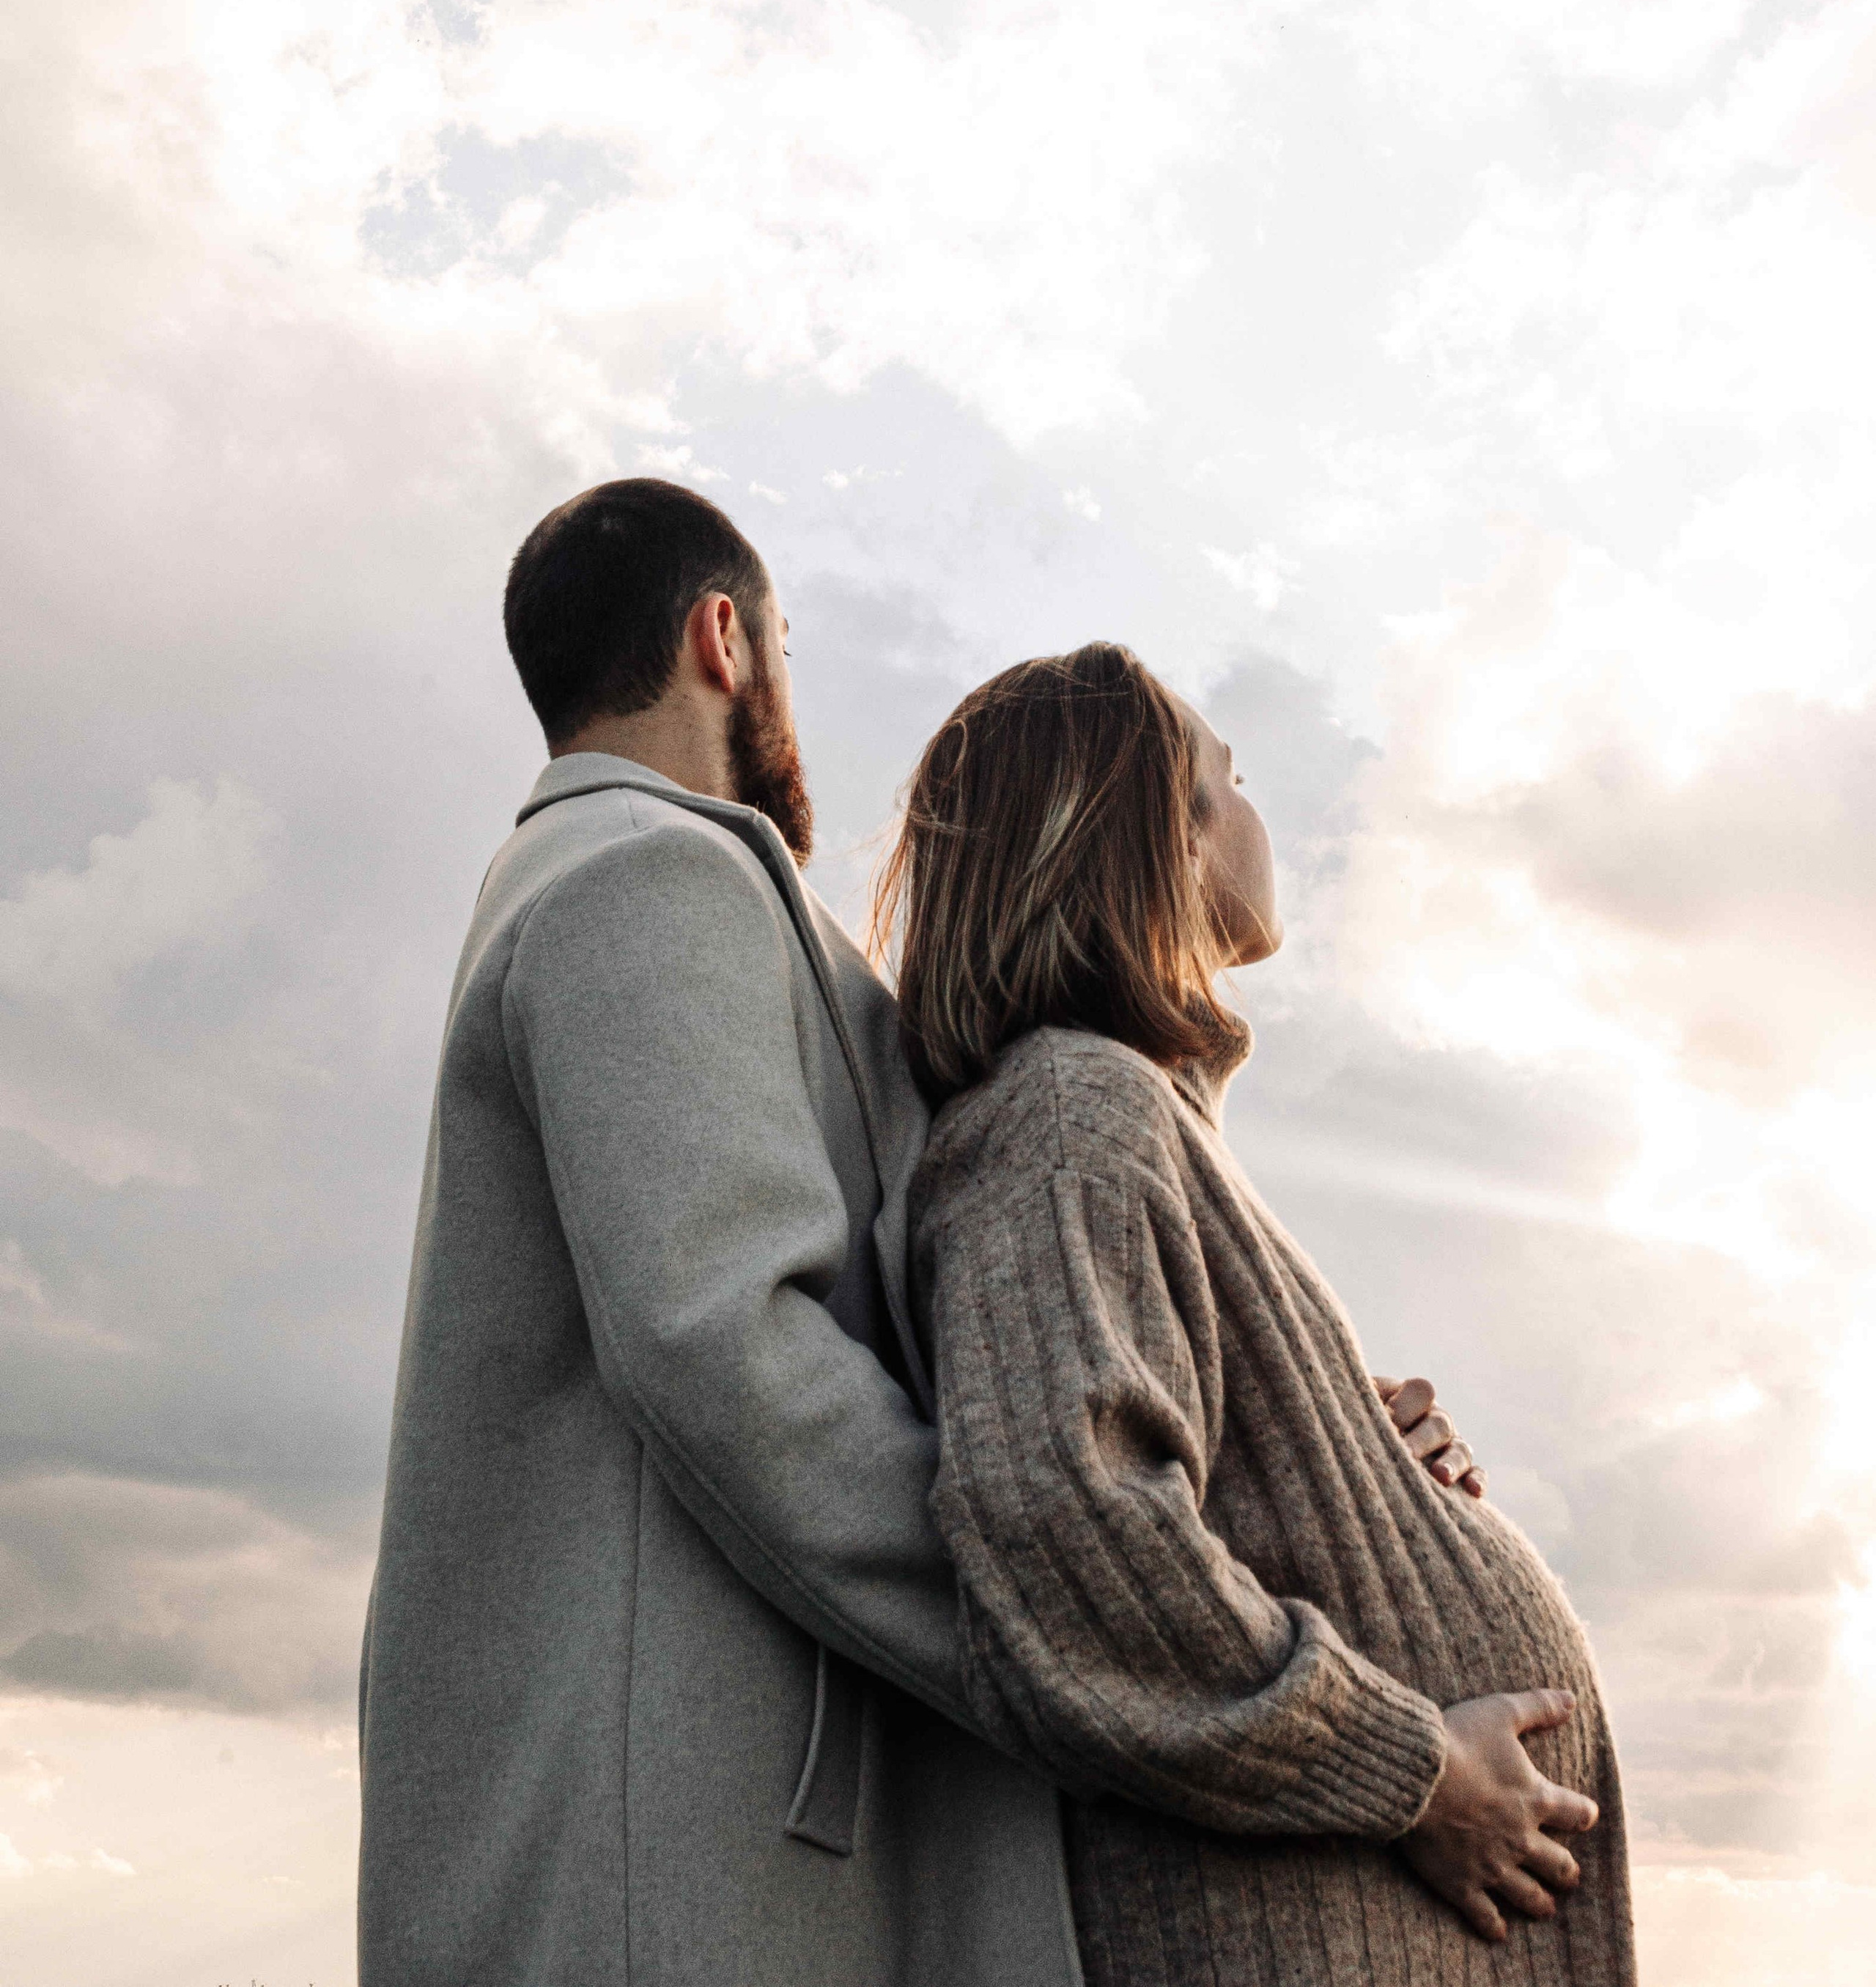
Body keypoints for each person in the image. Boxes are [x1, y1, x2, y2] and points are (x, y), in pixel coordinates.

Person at [357, 483, 1491, 1987]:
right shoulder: (646, 878)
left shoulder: (689, 908)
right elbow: (729, 1348)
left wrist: (1312, 1465)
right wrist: (1074, 1629)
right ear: (725, 640)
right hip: (690, 1867)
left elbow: (977, 1352)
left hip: (754, 1839)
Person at [885, 642, 1635, 1987]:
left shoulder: (1140, 1126)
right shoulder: (1073, 1118)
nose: (1256, 810)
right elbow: (1074, 1534)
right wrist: (1418, 1774)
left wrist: (1354, 1460)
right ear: (1155, 836)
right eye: (1231, 781)